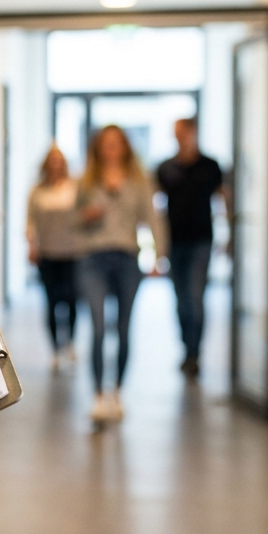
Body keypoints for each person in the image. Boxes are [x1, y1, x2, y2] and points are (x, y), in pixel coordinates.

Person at [76, 126, 158, 423]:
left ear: (125, 147)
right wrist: (86, 217)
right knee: (98, 327)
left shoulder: (139, 181)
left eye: (116, 144)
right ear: (98, 149)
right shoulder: (85, 181)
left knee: (123, 329)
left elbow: (151, 217)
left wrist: (159, 253)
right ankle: (98, 394)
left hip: (126, 259)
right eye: (105, 144)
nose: (110, 149)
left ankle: (117, 392)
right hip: (93, 259)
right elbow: (72, 222)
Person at [156, 118, 224, 380]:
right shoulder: (165, 168)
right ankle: (187, 347)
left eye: (183, 133)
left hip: (201, 241)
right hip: (175, 241)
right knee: (181, 299)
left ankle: (195, 352)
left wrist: (230, 237)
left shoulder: (209, 166)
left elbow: (223, 197)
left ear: (193, 133)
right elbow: (154, 206)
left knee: (194, 298)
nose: (179, 138)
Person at [26, 146, 81, 369]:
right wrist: (32, 245)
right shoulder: (38, 191)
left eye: (60, 160)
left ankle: (70, 343)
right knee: (50, 301)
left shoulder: (75, 188)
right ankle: (55, 349)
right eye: (52, 160)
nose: (56, 165)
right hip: (48, 253)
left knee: (71, 299)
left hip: (72, 252)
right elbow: (30, 222)